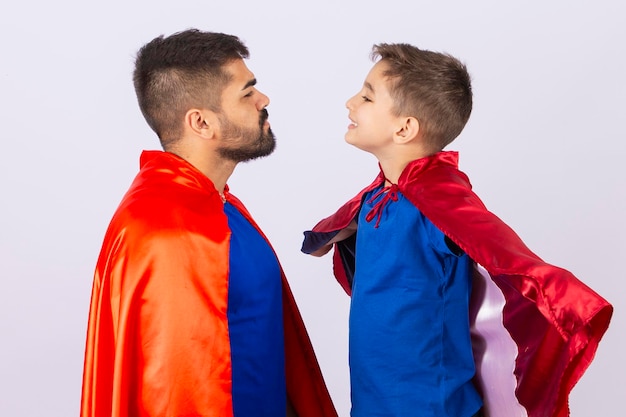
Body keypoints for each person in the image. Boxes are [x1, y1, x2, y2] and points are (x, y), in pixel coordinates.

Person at [301, 43, 612, 417]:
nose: (351, 102)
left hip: (431, 403)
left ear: (405, 128)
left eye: (367, 97)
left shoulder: (439, 200)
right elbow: (329, 238)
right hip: (374, 396)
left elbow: (496, 246)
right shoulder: (376, 198)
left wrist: (567, 302)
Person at [80, 29, 337, 417]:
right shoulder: (167, 231)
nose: (263, 100)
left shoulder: (215, 203)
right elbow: (179, 394)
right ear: (201, 122)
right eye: (247, 92)